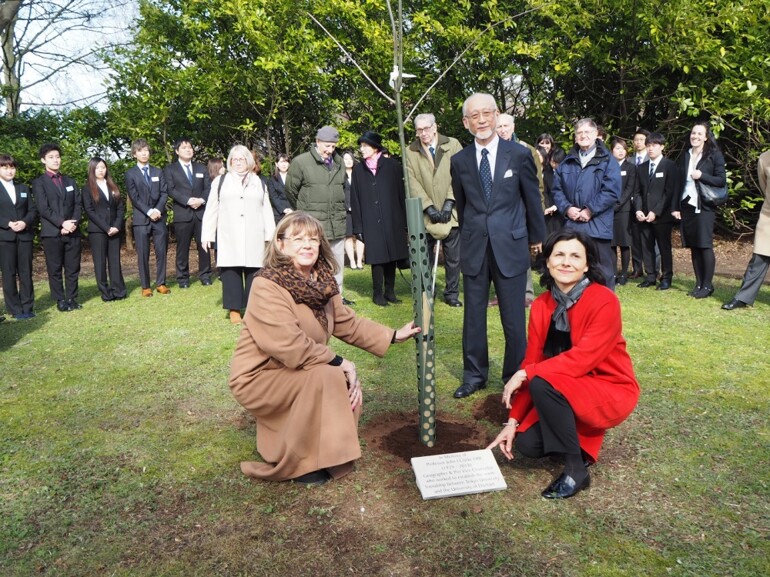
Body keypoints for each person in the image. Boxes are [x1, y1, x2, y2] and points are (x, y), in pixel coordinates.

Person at [229, 211, 421, 485]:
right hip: (259, 377)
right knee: (329, 374)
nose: (307, 245)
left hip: (297, 368)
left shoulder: (320, 283)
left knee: (331, 374)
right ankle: (301, 463)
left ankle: (327, 455)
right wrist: (341, 362)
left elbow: (347, 323)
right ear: (280, 245)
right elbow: (288, 344)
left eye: (313, 239)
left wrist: (393, 335)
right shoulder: (266, 285)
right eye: (298, 239)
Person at [487, 230, 640, 499]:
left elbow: (583, 359)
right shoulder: (541, 305)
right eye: (559, 254)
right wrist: (513, 421)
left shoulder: (604, 300)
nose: (566, 262)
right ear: (547, 261)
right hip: (566, 387)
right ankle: (572, 435)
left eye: (575, 256)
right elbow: (532, 361)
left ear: (587, 264)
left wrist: (526, 373)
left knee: (543, 380)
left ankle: (575, 470)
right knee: (528, 444)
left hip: (608, 388)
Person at [450, 93, 546, 399]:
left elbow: (533, 198)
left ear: (496, 115)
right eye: (474, 116)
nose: (481, 120)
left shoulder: (518, 155)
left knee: (514, 319)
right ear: (466, 123)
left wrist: (536, 238)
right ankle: (474, 375)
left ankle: (514, 376)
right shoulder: (460, 161)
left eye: (486, 114)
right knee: (473, 317)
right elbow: (464, 209)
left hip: (511, 246)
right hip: (475, 249)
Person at [201, 145, 275, 323]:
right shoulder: (220, 181)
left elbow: (267, 210)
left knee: (254, 272)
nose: (238, 162)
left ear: (249, 161)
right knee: (230, 270)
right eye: (235, 159)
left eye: (242, 159)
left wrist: (271, 235)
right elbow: (211, 209)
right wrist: (207, 234)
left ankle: (252, 308)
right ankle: (234, 309)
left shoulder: (259, 182)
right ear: (230, 161)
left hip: (254, 233)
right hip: (230, 234)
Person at [285, 125, 353, 305]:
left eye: (333, 146)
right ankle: (310, 296)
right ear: (317, 142)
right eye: (326, 146)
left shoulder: (339, 163)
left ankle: (337, 299)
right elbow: (291, 191)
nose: (330, 150)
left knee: (337, 263)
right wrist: (304, 212)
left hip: (336, 222)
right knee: (310, 262)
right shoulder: (301, 162)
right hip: (312, 225)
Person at [551, 118, 621, 290]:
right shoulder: (568, 161)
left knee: (602, 272)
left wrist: (590, 210)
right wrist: (567, 208)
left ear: (596, 134)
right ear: (575, 137)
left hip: (597, 226)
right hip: (572, 225)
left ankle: (604, 309)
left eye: (587, 132)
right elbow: (556, 189)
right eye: (579, 133)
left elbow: (612, 190)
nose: (583, 136)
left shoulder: (608, 161)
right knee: (574, 270)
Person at [406, 112, 463, 306]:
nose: (423, 133)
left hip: (452, 212)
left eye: (426, 129)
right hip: (425, 215)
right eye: (419, 130)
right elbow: (412, 182)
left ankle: (452, 294)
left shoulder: (453, 145)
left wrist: (449, 201)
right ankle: (425, 291)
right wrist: (428, 207)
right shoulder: (410, 151)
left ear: (435, 127)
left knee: (453, 259)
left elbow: (460, 175)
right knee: (424, 257)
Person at [350, 131, 409, 306]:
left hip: (393, 219)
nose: (361, 149)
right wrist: (358, 227)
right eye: (361, 146)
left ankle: (390, 292)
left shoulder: (393, 166)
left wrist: (405, 222)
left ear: (376, 148)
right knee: (377, 258)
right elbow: (355, 198)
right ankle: (378, 294)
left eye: (365, 146)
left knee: (392, 256)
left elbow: (401, 194)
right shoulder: (358, 170)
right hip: (370, 220)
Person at [672, 122, 726, 299]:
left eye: (699, 134)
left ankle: (707, 285)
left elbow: (721, 180)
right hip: (687, 203)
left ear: (706, 137)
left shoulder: (713, 155)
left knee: (704, 245)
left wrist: (702, 175)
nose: (695, 136)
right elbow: (679, 182)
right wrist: (675, 206)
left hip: (704, 204)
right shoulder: (686, 154)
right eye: (693, 133)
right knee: (693, 245)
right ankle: (699, 283)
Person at [32, 143, 83, 311]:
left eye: (57, 157)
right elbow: (43, 208)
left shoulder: (70, 181)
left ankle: (72, 298)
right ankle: (60, 300)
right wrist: (62, 223)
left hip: (72, 232)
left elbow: (77, 204)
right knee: (54, 269)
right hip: (52, 232)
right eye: (51, 157)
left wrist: (72, 223)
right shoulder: (39, 183)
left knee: (72, 267)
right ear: (43, 160)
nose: (55, 160)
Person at [723, 149, 770, 310]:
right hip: (768, 216)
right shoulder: (765, 158)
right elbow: (764, 187)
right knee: (758, 260)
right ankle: (742, 298)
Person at [163, 138, 212, 288]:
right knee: (182, 247)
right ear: (177, 151)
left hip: (200, 213)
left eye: (190, 147)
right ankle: (183, 278)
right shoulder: (170, 169)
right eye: (184, 148)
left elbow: (208, 188)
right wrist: (188, 200)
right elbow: (171, 190)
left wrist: (201, 200)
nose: (188, 150)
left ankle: (205, 275)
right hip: (183, 213)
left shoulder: (201, 168)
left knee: (203, 246)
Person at [124, 138, 170, 297]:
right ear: (134, 154)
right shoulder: (130, 174)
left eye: (146, 150)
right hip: (141, 220)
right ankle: (145, 286)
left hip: (159, 218)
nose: (144, 153)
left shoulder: (158, 171)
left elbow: (164, 193)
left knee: (161, 251)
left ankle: (161, 283)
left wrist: (157, 210)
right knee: (143, 253)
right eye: (140, 151)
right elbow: (134, 197)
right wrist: (149, 211)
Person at [635, 132, 678, 290]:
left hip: (662, 216)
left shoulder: (669, 166)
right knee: (646, 246)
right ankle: (650, 276)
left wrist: (656, 211)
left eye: (654, 145)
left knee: (664, 247)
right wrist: (638, 209)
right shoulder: (641, 167)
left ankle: (666, 277)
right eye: (648, 145)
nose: (650, 148)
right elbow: (637, 191)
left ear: (662, 147)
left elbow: (669, 192)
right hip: (644, 215)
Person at [81, 157, 127, 302]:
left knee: (114, 261)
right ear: (92, 169)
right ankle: (106, 292)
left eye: (103, 167)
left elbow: (120, 207)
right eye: (98, 168)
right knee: (100, 262)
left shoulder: (112, 185)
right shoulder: (87, 188)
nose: (101, 170)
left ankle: (118, 291)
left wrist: (117, 225)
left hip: (115, 229)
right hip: (98, 231)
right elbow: (89, 211)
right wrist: (106, 228)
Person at [0, 154, 37, 319]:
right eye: (5, 167)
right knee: (9, 273)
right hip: (5, 237)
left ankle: (27, 306)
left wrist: (24, 222)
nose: (9, 171)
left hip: (24, 236)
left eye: (12, 167)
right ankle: (14, 309)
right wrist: (7, 223)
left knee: (26, 272)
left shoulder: (22, 188)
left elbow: (32, 210)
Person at [608, 136, 637, 285]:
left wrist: (617, 204)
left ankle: (624, 273)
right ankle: (613, 273)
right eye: (617, 148)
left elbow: (629, 189)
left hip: (624, 210)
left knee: (624, 243)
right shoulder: (608, 166)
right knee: (612, 243)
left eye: (623, 148)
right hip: (608, 209)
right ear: (612, 151)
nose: (621, 151)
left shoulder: (630, 167)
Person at [629, 129, 651, 278]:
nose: (638, 142)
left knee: (650, 238)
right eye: (636, 140)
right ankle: (637, 268)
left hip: (647, 202)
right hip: (630, 202)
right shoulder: (629, 160)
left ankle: (654, 269)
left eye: (641, 140)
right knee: (634, 237)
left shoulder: (652, 159)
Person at [342, 151, 364, 269]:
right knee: (348, 236)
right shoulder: (340, 176)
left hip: (359, 209)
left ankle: (360, 261)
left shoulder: (358, 173)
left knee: (360, 235)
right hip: (346, 211)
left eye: (350, 159)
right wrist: (347, 206)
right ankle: (352, 261)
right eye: (345, 159)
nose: (348, 161)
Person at [267, 153, 293, 224]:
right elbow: (273, 197)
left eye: (286, 162)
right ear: (276, 164)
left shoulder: (295, 178)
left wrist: (292, 209)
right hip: (279, 214)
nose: (284, 164)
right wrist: (283, 209)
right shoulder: (272, 180)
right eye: (281, 162)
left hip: (293, 212)